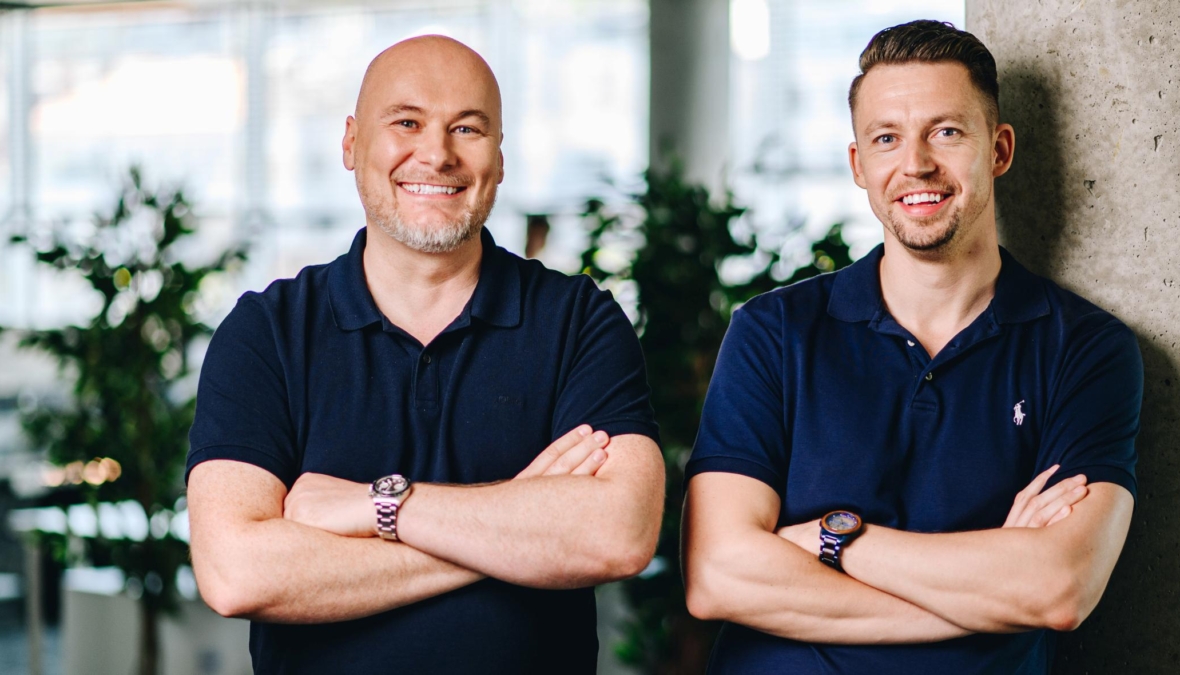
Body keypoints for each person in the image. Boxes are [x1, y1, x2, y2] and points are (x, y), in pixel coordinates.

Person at [185, 36, 664, 675]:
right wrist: (517, 522)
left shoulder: (578, 321)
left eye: (467, 128)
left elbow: (618, 534)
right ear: (351, 142)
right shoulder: (266, 333)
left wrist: (378, 506)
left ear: (498, 157)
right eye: (406, 123)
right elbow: (236, 573)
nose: (437, 155)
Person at [682, 20, 1141, 674]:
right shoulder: (773, 332)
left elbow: (1059, 588)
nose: (916, 164)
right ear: (858, 165)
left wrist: (835, 540)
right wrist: (988, 595)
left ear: (999, 149)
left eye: (946, 132)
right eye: (886, 138)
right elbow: (717, 575)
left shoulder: (1086, 349)